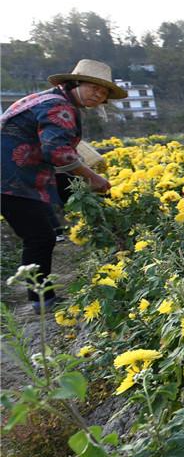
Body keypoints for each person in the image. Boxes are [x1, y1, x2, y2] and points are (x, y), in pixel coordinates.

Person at [1, 59, 123, 311]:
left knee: (72, 190)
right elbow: (58, 152)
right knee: (40, 237)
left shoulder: (48, 99)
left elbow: (56, 144)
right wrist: (94, 177)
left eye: (103, 94)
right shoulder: (60, 107)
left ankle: (108, 234)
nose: (98, 95)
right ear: (75, 83)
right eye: (94, 88)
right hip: (11, 179)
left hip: (20, 171)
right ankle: (41, 300)